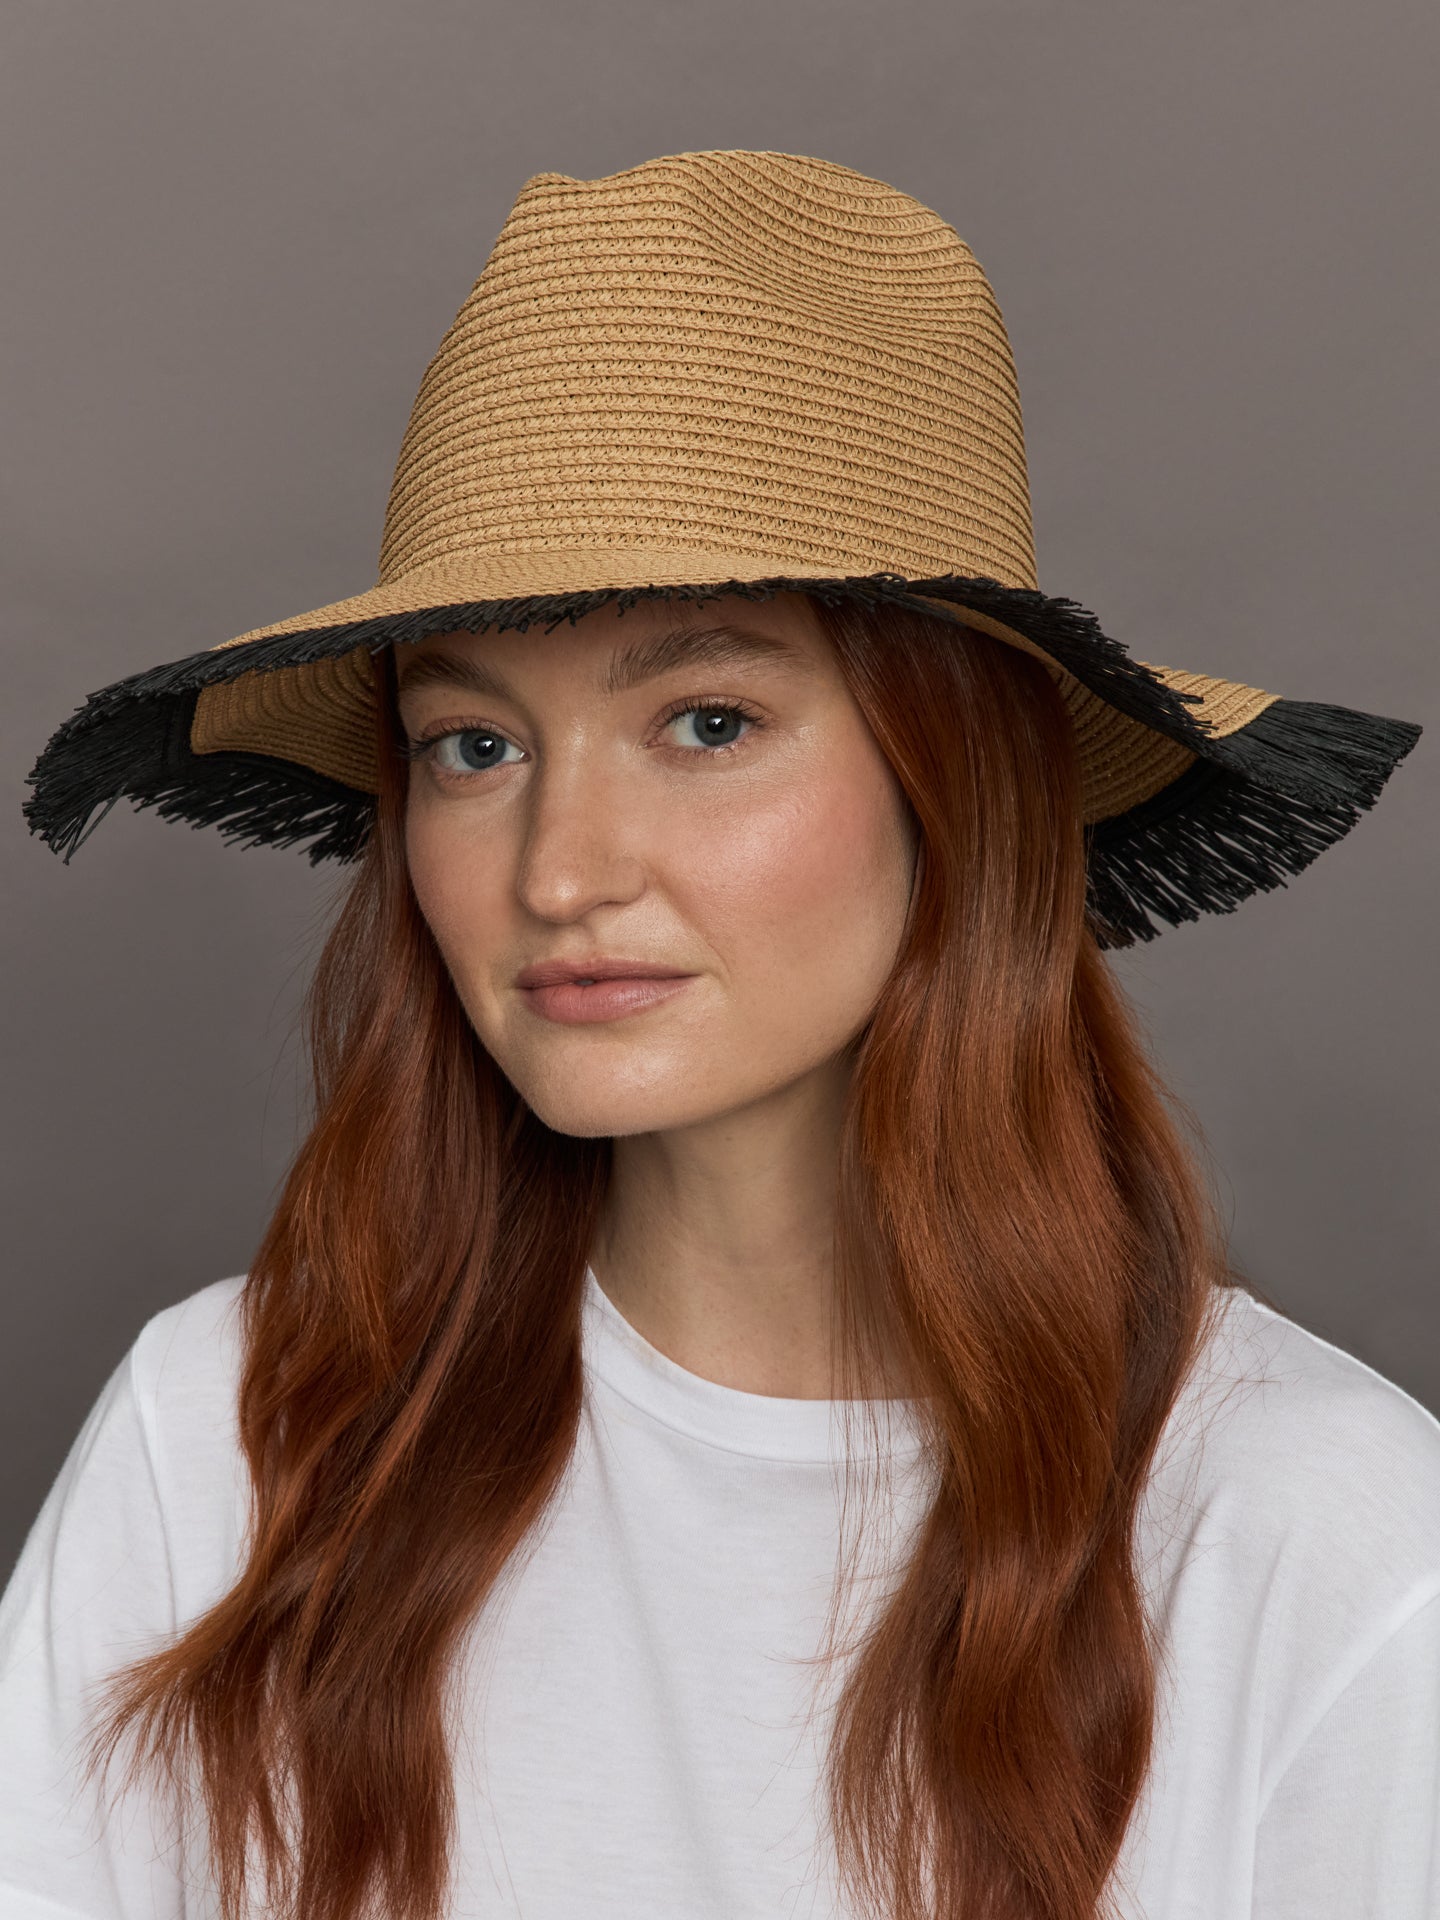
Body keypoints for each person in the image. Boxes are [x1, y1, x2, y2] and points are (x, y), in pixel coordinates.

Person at [5, 148, 1436, 1920]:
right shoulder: (226, 1441)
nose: (560, 870)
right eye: (474, 746)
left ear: (956, 784)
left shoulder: (1314, 1541)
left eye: (704, 719)